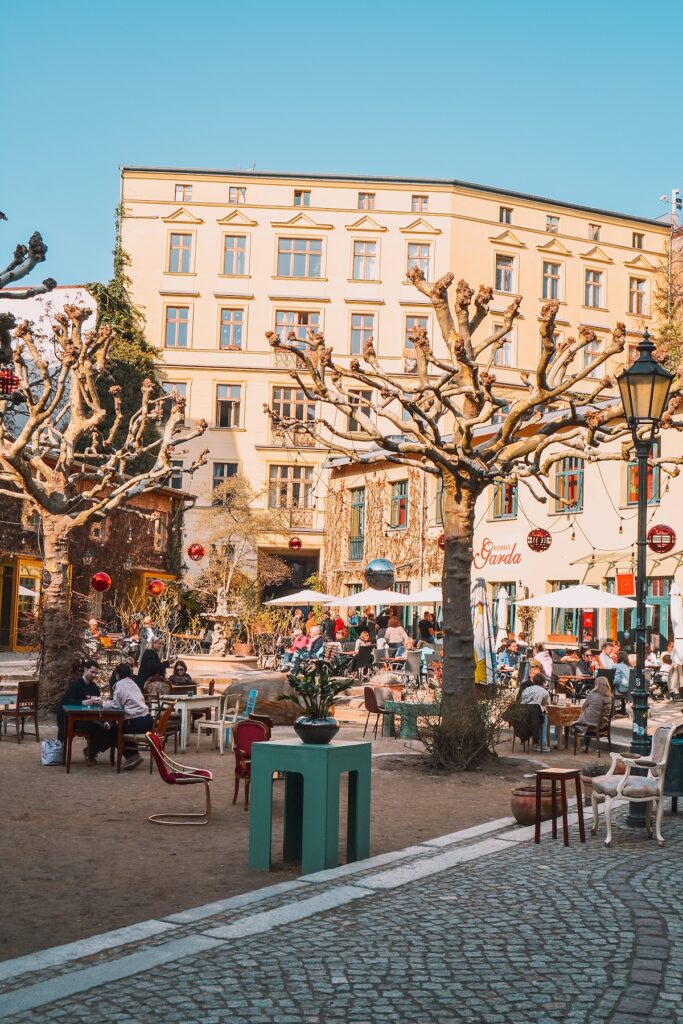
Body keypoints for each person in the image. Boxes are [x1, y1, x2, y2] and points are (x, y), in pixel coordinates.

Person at [89, 662, 154, 771]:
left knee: (114, 731)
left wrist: (102, 703)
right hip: (147, 720)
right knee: (120, 728)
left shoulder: (119, 685)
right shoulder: (133, 683)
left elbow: (116, 705)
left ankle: (131, 756)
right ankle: (133, 755)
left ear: (118, 674)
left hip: (136, 721)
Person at [56, 659, 101, 748]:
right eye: (92, 672)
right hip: (68, 716)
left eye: (96, 673)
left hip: (87, 716)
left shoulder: (94, 687)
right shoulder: (76, 684)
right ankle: (60, 753)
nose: (93, 675)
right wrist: (82, 702)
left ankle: (91, 752)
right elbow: (65, 701)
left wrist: (98, 702)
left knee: (102, 728)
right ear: (85, 670)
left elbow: (97, 699)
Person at [571, 676, 613, 751]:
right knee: (591, 718)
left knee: (576, 723)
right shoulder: (609, 697)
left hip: (593, 724)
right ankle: (585, 746)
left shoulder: (592, 694)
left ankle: (580, 743)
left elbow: (583, 707)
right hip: (603, 724)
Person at [519, 672, 551, 752]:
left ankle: (536, 742)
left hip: (522, 716)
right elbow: (544, 705)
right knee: (545, 719)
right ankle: (542, 744)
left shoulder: (526, 689)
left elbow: (522, 701)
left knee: (538, 715)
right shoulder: (545, 692)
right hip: (534, 718)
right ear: (543, 683)